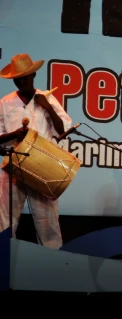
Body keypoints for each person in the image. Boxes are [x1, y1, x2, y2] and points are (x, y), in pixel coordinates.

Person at [0, 53, 73, 249]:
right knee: (5, 221)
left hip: (42, 167)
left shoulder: (47, 98)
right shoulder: (5, 102)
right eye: (18, 78)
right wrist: (16, 134)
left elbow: (63, 130)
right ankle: (4, 264)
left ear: (33, 76)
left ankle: (53, 267)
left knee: (47, 223)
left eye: (26, 76)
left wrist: (47, 107)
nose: (21, 81)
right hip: (14, 167)